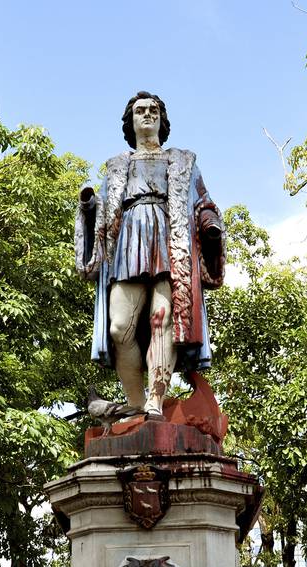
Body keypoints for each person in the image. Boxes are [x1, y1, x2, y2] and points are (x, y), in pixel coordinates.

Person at [77, 91, 225, 419]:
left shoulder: (183, 161)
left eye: (153, 110)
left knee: (163, 319)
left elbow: (203, 203)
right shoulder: (117, 166)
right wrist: (88, 208)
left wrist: (210, 223)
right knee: (119, 327)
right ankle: (135, 401)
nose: (147, 114)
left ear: (162, 118)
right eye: (140, 110)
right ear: (130, 121)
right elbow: (100, 215)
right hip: (128, 239)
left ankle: (155, 401)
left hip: (169, 240)